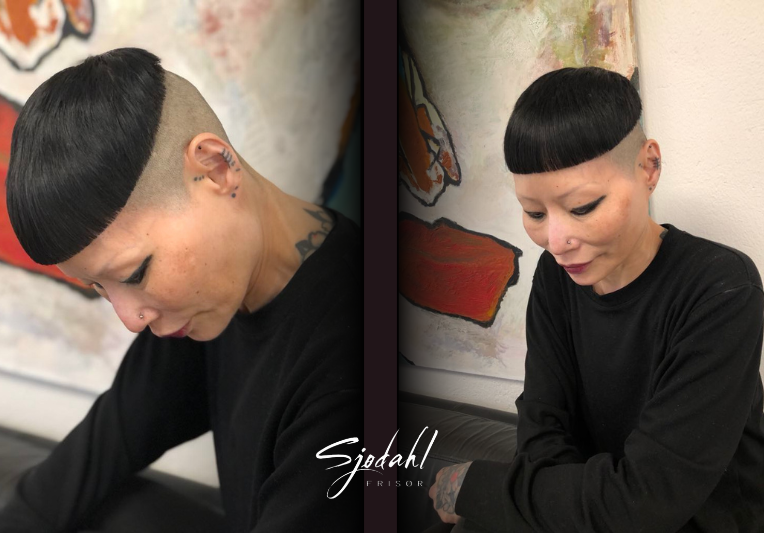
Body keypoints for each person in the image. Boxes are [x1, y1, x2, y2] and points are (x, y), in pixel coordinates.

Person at [0, 48, 362, 532]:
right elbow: (76, 473)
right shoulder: (206, 302)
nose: (130, 319)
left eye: (134, 273)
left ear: (215, 169)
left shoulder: (348, 352)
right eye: (99, 287)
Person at [427, 67, 764, 532]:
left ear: (649, 167)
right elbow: (542, 425)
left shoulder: (720, 288)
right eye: (534, 213)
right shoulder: (556, 276)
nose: (556, 241)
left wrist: (477, 488)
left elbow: (647, 500)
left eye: (582, 207)